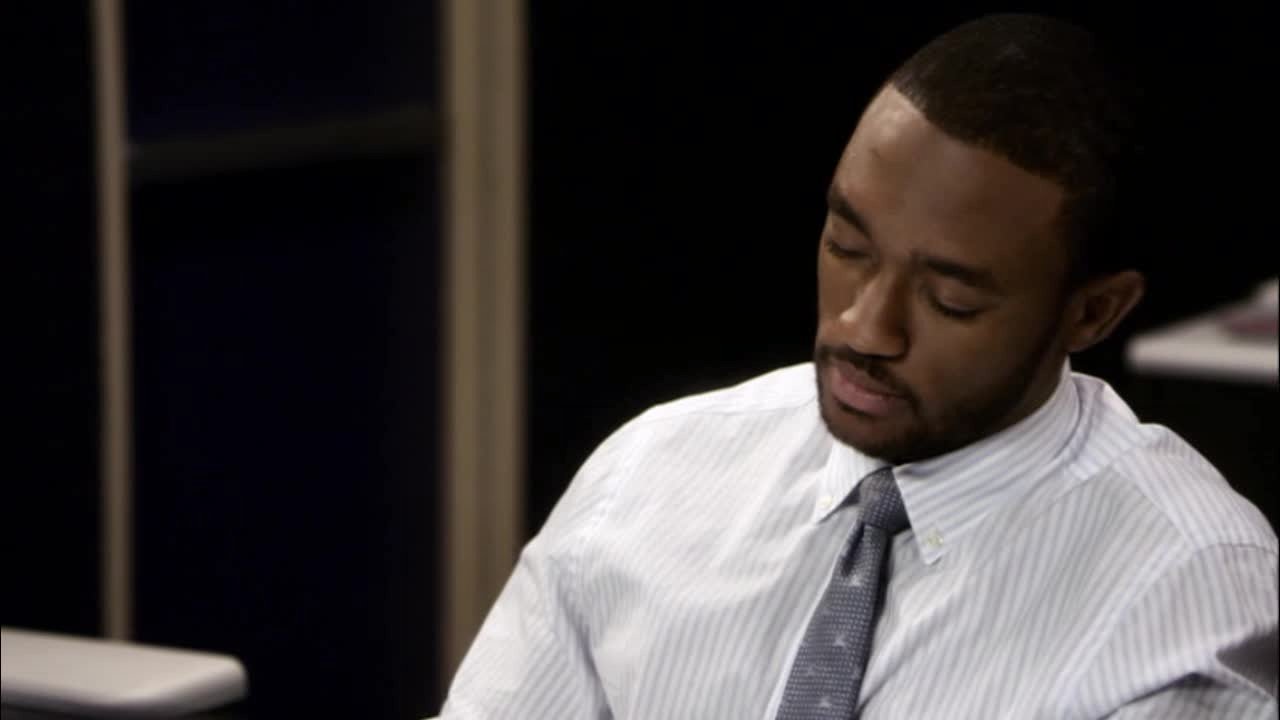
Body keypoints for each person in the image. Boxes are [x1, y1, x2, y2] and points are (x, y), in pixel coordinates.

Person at [439, 13, 1278, 719]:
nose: (865, 328)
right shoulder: (648, 479)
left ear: (1092, 313)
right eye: (847, 248)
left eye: (951, 300)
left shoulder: (1186, 594)